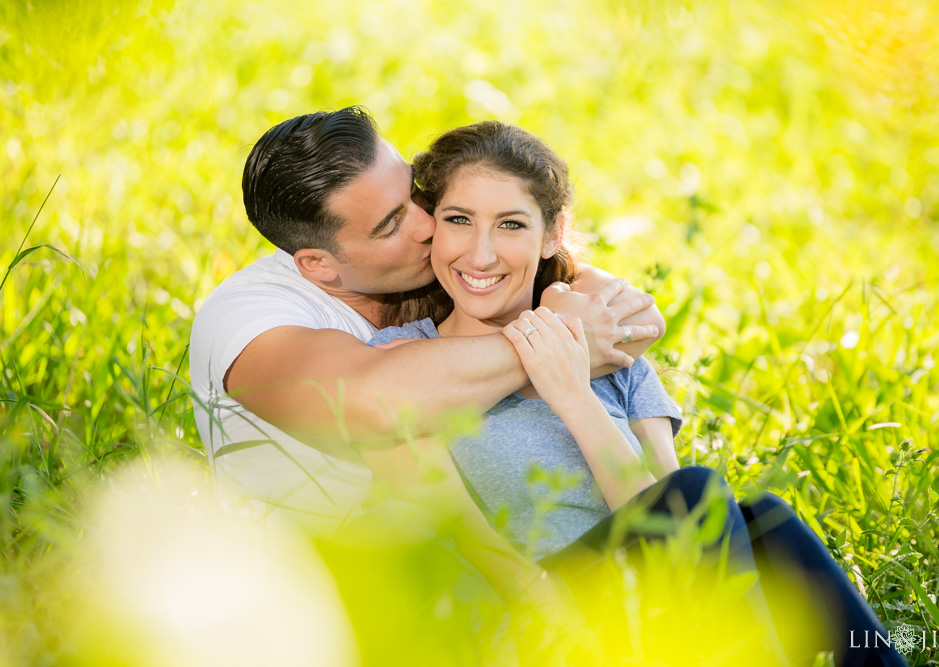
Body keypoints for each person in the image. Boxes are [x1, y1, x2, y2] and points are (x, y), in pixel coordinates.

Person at [366, 121, 908, 667]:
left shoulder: (613, 355)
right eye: (459, 221)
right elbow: (457, 532)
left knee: (765, 519)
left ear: (551, 234)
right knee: (701, 495)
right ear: (431, 226)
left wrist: (575, 396)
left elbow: (667, 517)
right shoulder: (403, 360)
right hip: (524, 617)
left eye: (510, 224)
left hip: (654, 605)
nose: (480, 255)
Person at [188, 105, 665, 529]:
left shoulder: (432, 269)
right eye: (392, 224)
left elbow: (615, 302)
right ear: (320, 264)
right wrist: (557, 343)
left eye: (415, 195)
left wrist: (577, 297)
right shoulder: (248, 315)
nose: (427, 224)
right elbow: (376, 403)